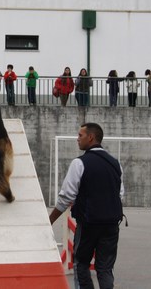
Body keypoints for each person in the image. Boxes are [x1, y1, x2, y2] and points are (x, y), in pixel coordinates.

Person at [49, 123, 124, 289]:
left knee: (81, 264)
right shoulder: (115, 164)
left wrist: (50, 220)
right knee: (105, 268)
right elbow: (119, 194)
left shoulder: (79, 163)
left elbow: (66, 197)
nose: (77, 139)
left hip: (89, 224)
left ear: (91, 137)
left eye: (80, 135)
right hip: (111, 225)